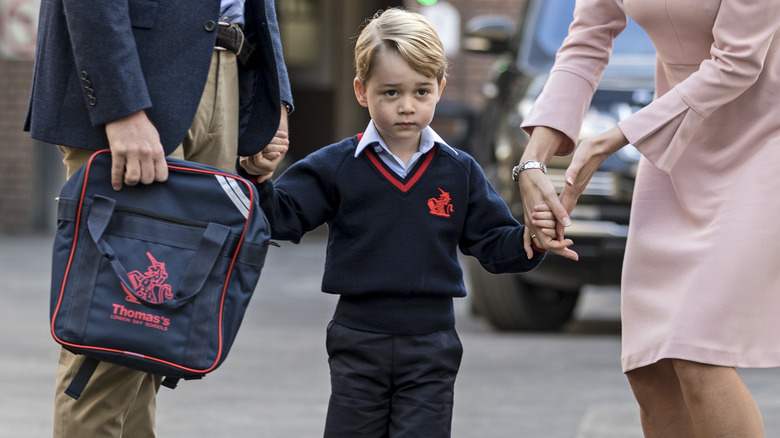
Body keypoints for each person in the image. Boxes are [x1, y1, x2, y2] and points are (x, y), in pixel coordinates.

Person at [241, 8, 546, 437]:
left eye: (421, 91)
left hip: (432, 342)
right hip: (357, 337)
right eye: (390, 93)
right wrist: (258, 175)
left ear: (440, 88)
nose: (407, 106)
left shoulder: (459, 171)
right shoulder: (336, 165)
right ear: (361, 91)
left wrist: (533, 238)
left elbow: (495, 245)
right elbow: (282, 216)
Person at [23, 0, 292, 436]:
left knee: (155, 337)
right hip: (139, 75)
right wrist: (120, 105)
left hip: (224, 68)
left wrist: (270, 98)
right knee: (109, 338)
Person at [516, 0, 780, 436]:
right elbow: (586, 41)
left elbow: (736, 63)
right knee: (650, 367)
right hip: (676, 147)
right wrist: (532, 163)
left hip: (762, 142)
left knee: (698, 354)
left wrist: (616, 137)